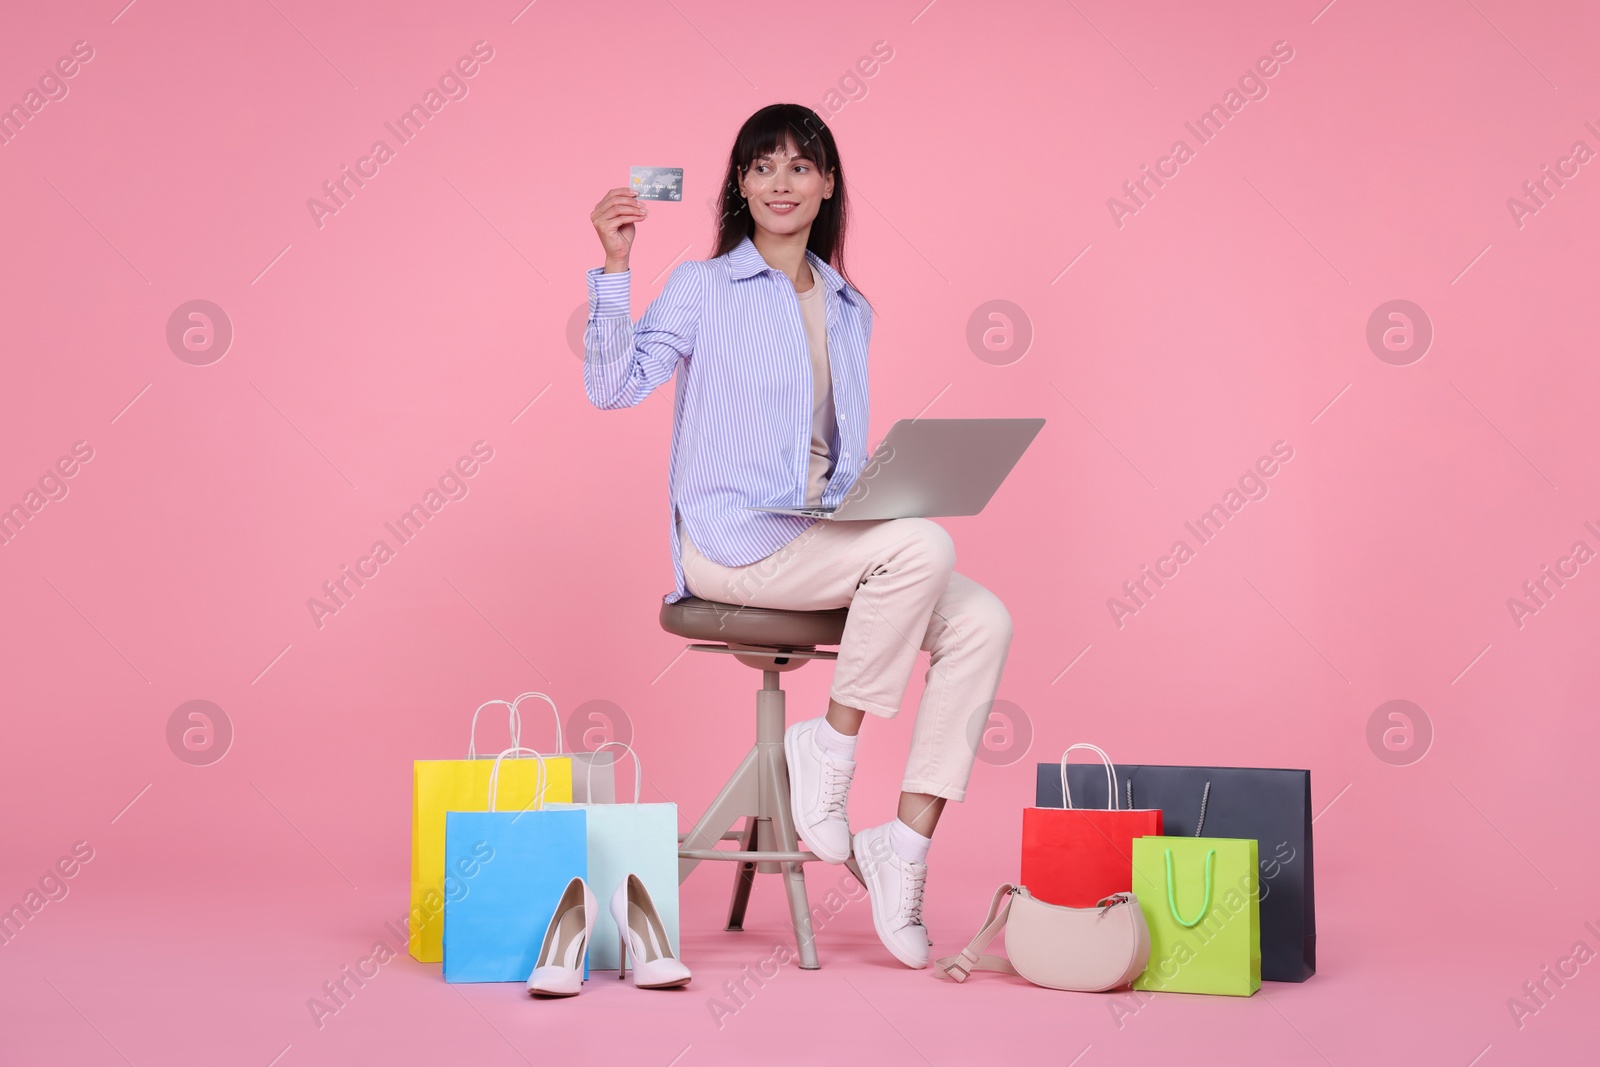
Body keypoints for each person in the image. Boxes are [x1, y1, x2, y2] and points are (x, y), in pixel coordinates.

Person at [583, 103, 1013, 969]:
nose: (782, 182)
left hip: (825, 540)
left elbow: (832, 452)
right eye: (763, 166)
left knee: (983, 620)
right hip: (733, 545)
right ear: (739, 185)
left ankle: (904, 848)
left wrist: (882, 491)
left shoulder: (849, 305)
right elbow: (612, 387)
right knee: (922, 547)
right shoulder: (703, 287)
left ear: (827, 186)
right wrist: (615, 269)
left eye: (801, 166)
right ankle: (831, 745)